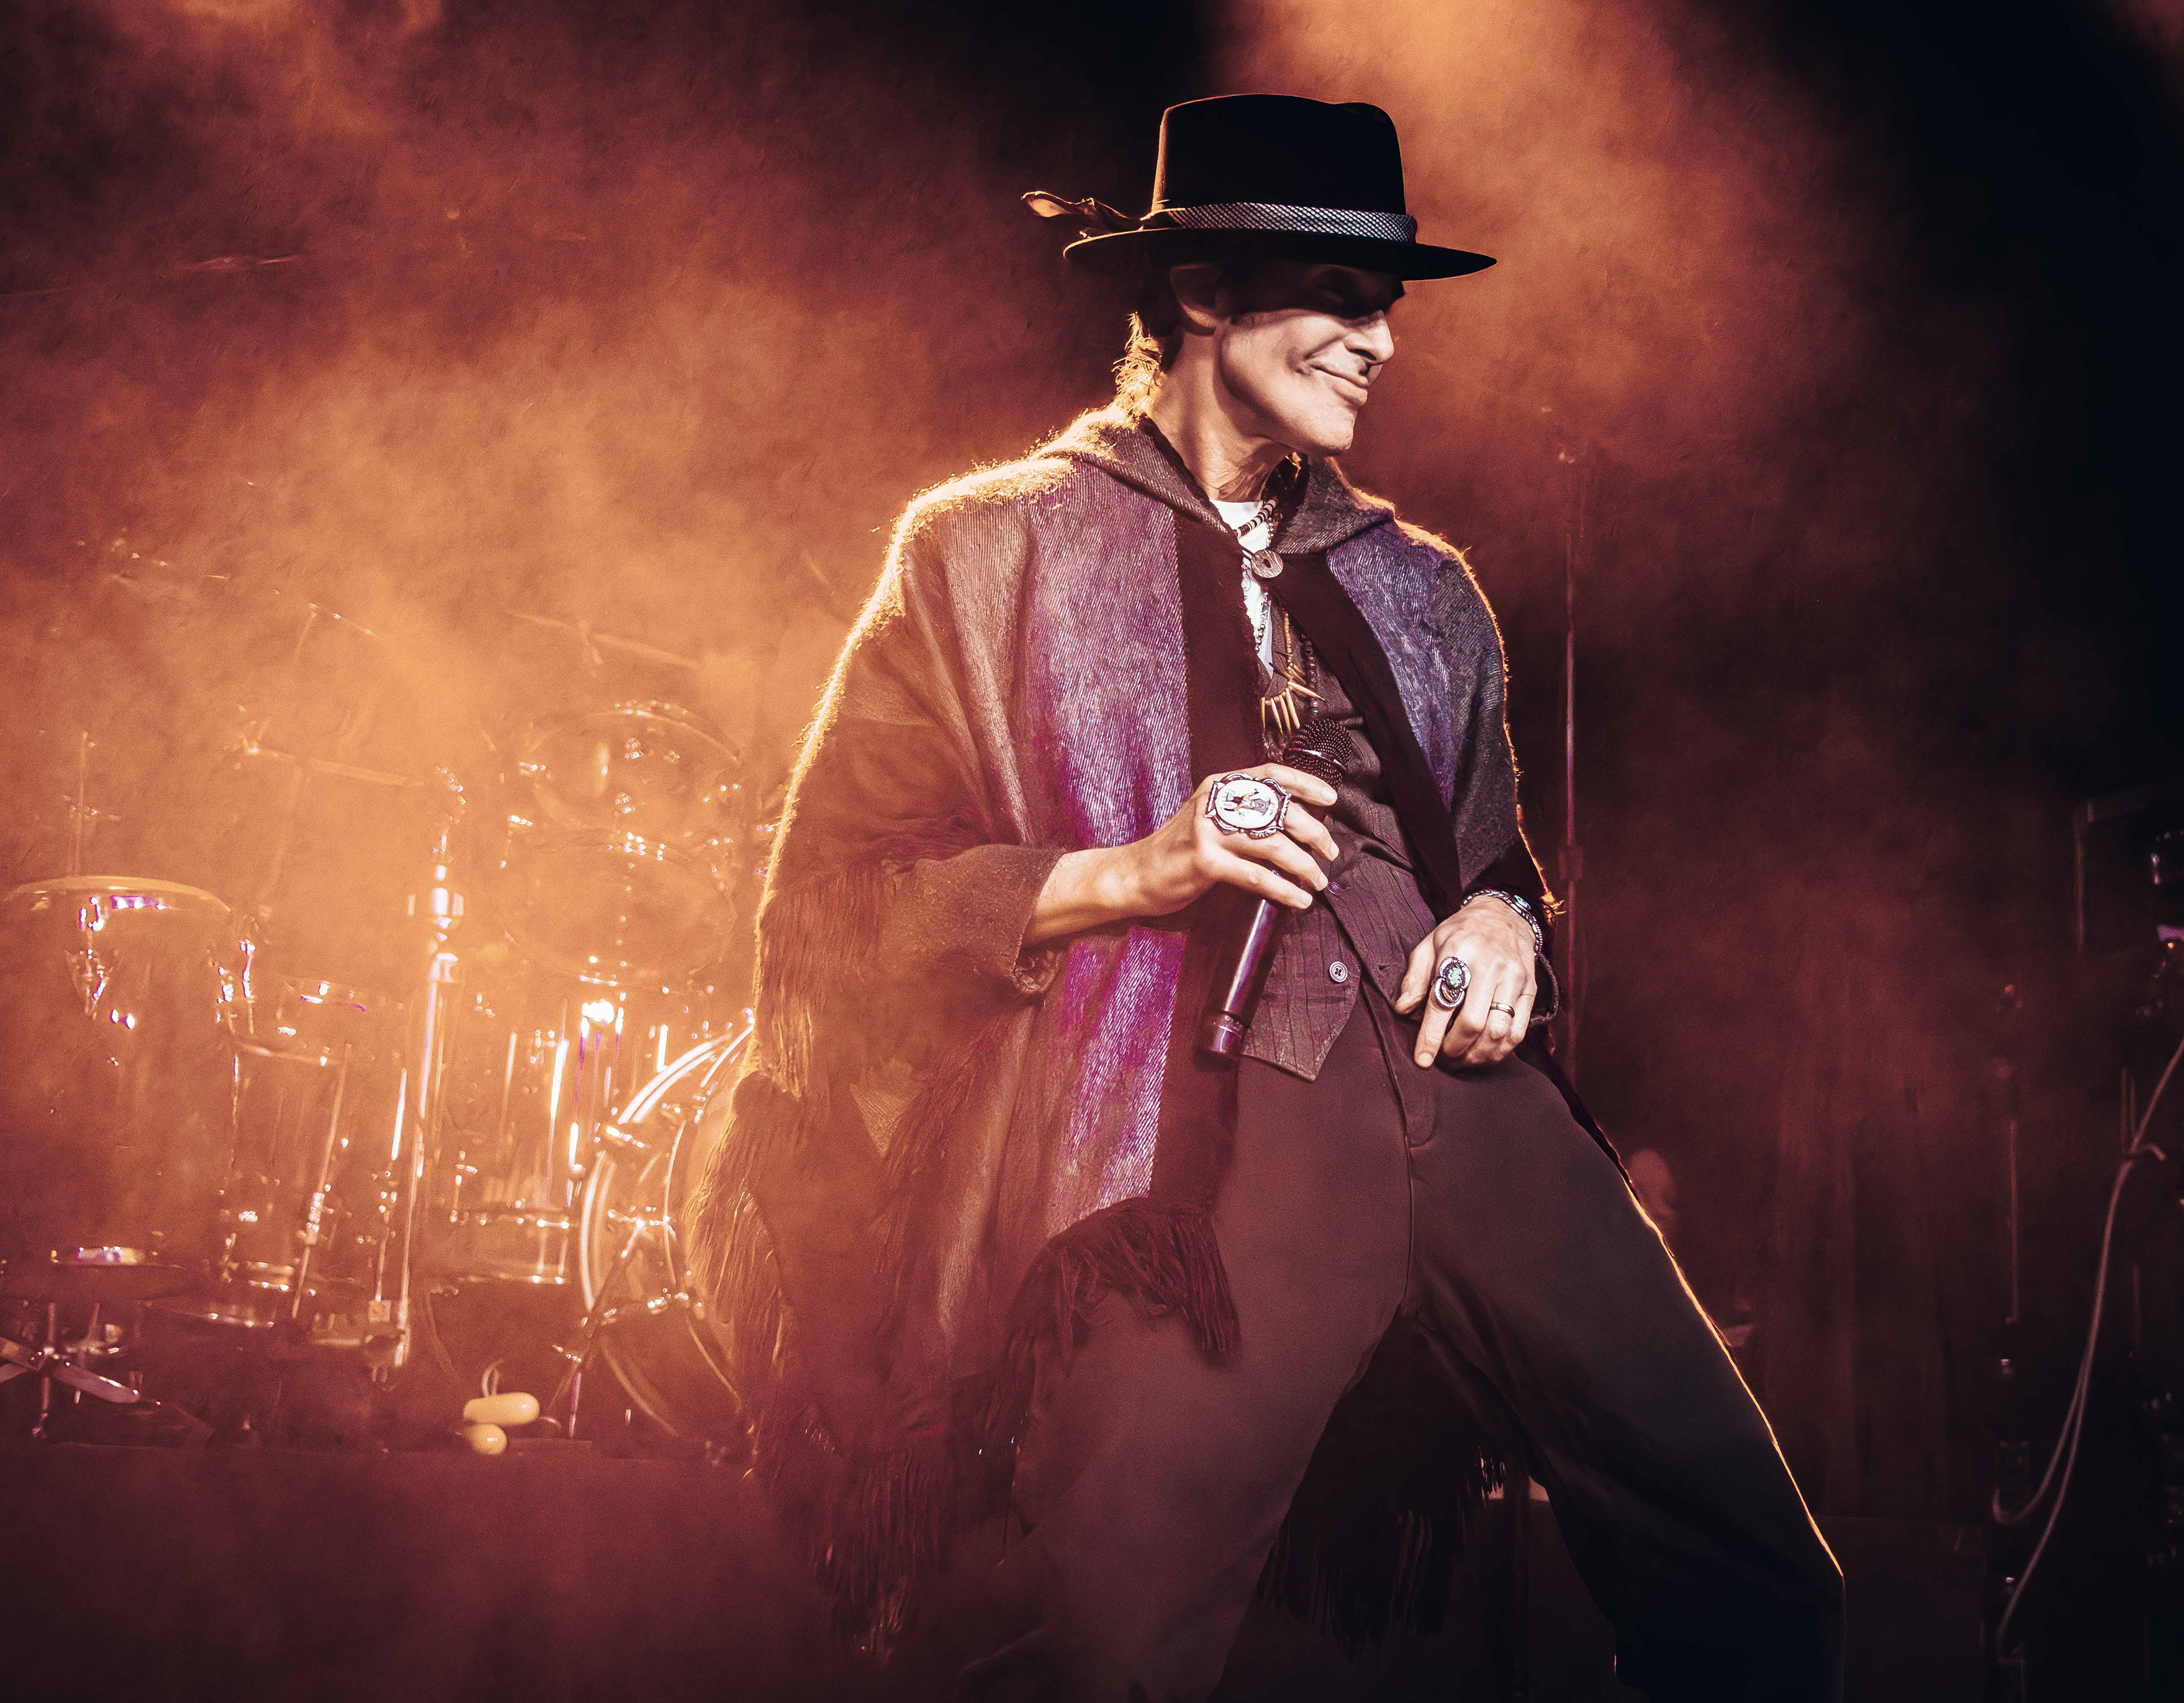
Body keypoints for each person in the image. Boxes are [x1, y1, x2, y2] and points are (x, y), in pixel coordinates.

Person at [691, 94, 1843, 1702]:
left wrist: (1507, 927)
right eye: (1338, 294)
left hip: (1472, 1105)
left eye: (1391, 302)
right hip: (1214, 1137)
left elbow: (1495, 861)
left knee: (1758, 1575)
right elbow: (835, 905)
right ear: (1201, 294)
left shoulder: (1423, 586)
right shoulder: (986, 549)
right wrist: (1134, 871)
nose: (1382, 341)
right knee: (1099, 1647)